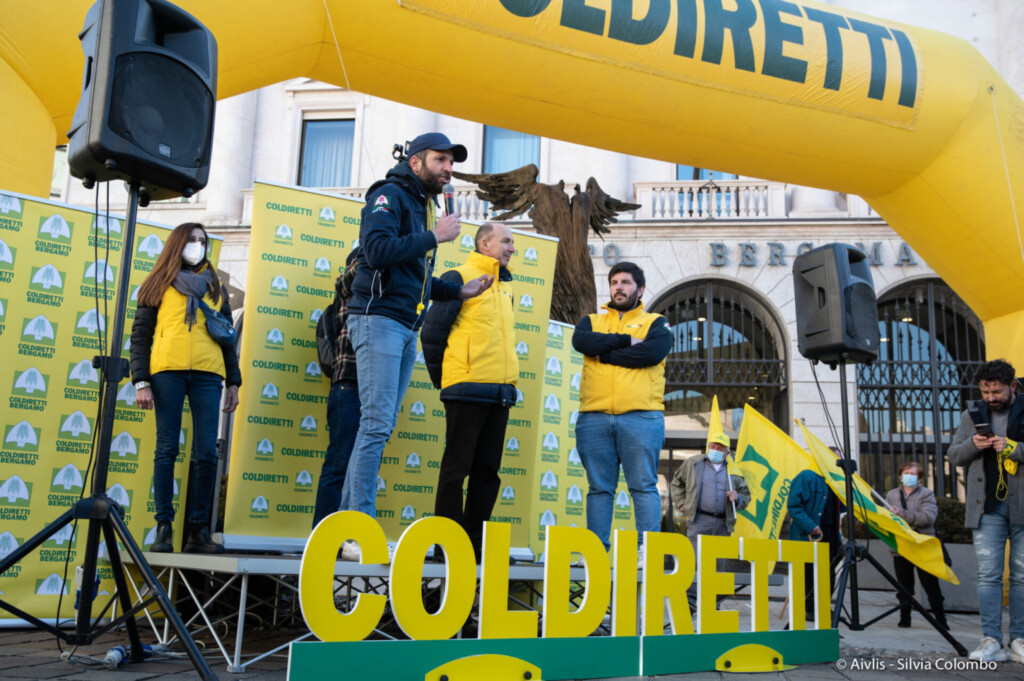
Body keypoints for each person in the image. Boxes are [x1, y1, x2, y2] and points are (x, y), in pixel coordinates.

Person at [343, 133, 493, 529]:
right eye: (441, 161)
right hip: (379, 320)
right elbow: (375, 251)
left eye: (451, 163)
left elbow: (416, 275)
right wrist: (435, 236)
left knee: (379, 425)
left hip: (405, 324)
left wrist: (457, 290)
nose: (449, 169)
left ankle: (346, 524)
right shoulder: (389, 195)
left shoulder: (422, 204)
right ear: (416, 163)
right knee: (375, 424)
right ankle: (357, 525)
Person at [130, 222, 240, 554]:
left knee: (206, 453)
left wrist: (233, 381)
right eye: (191, 240)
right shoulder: (157, 284)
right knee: (167, 449)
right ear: (177, 243)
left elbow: (228, 338)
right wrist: (141, 381)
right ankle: (164, 527)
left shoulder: (216, 286)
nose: (197, 245)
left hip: (208, 374)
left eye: (202, 241)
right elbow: (140, 336)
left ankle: (198, 531)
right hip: (167, 373)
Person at [421, 222, 518, 562]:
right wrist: (446, 380)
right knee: (455, 470)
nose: (512, 249)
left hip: (500, 393)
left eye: (512, 243)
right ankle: (446, 547)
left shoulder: (505, 290)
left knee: (487, 474)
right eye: (506, 241)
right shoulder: (457, 277)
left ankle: (474, 549)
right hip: (465, 388)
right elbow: (432, 332)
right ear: (485, 242)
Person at [572, 262, 672, 551]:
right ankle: (596, 551)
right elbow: (581, 341)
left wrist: (605, 354)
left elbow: (651, 353)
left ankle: (647, 550)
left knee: (643, 486)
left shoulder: (656, 322)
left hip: (641, 416)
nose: (619, 287)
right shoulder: (591, 322)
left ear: (640, 289)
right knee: (599, 489)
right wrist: (627, 340)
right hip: (594, 416)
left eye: (626, 282)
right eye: (614, 282)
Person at [948, 358, 1024, 663]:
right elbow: (954, 454)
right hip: (986, 508)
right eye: (985, 391)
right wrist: (974, 444)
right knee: (988, 574)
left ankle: (1019, 639)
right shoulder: (972, 413)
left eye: (997, 391)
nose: (991, 397)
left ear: (1013, 387)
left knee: (1021, 576)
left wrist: (1014, 448)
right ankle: (991, 639)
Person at [312, 250, 361, 530]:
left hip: (370, 386)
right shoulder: (350, 289)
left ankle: (349, 535)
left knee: (359, 468)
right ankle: (324, 536)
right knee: (339, 464)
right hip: (349, 383)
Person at [884, 461, 946, 629]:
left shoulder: (926, 494)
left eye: (913, 474)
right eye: (906, 473)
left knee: (930, 585)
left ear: (919, 479)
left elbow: (927, 518)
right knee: (904, 586)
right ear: (900, 476)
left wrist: (902, 514)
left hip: (922, 543)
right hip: (902, 546)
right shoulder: (892, 494)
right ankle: (905, 619)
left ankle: (941, 620)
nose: (909, 477)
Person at [670, 433, 750, 547]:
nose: (714, 450)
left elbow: (746, 494)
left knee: (721, 560)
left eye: (719, 449)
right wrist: (681, 503)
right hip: (698, 520)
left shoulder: (733, 470)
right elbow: (676, 483)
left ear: (726, 453)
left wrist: (738, 497)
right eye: (712, 447)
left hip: (723, 524)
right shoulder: (693, 463)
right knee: (696, 558)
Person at [788, 468, 842, 621]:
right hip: (811, 533)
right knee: (809, 573)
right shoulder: (807, 476)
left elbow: (841, 508)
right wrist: (810, 526)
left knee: (829, 572)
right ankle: (810, 609)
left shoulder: (835, 481)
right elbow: (794, 506)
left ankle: (823, 606)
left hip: (831, 533)